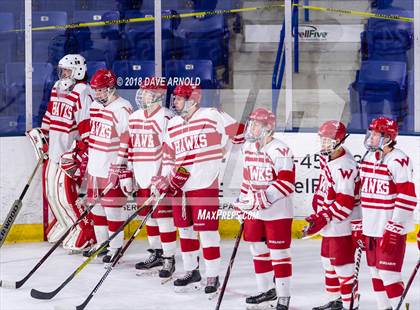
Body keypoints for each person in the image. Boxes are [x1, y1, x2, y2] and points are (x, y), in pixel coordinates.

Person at [152, 83, 244, 294]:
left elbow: (239, 133)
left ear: (192, 100)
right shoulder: (173, 123)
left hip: (204, 183)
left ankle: (212, 275)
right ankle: (191, 270)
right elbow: (168, 155)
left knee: (208, 232)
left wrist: (223, 150)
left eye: (178, 98)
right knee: (185, 230)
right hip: (180, 187)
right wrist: (165, 179)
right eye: (174, 98)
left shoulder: (211, 115)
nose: (174, 102)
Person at [28, 54, 95, 251]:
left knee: (65, 195)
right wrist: (44, 135)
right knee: (51, 192)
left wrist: (82, 152)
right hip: (55, 150)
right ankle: (66, 224)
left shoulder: (83, 91)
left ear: (78, 71)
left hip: (69, 153)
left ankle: (85, 228)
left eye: (67, 71)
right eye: (62, 70)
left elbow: (85, 124)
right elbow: (50, 114)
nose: (63, 74)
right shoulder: (57, 87)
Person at [115, 77, 178, 279]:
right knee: (148, 218)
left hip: (159, 177)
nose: (142, 95)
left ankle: (169, 258)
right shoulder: (134, 117)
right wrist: (128, 173)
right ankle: (156, 253)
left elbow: (171, 151)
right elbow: (131, 147)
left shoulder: (167, 118)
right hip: (141, 176)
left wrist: (162, 177)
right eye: (143, 90)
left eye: (148, 92)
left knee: (164, 219)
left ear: (159, 95)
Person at [353, 116, 417, 309]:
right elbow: (361, 194)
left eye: (375, 134)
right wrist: (359, 225)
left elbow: (407, 197)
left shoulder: (399, 160)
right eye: (370, 133)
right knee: (374, 271)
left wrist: (394, 227)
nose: (370, 137)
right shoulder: (368, 158)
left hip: (390, 229)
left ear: (388, 137)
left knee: (389, 274)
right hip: (371, 228)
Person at [234, 107, 295, 310]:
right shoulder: (247, 148)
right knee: (257, 249)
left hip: (277, 212)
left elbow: (286, 183)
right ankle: (266, 290)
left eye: (256, 124)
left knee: (278, 252)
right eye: (251, 123)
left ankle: (284, 296)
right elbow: (247, 179)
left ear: (268, 128)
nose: (251, 127)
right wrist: (244, 202)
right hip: (254, 210)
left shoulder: (281, 150)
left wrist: (264, 197)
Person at [303, 121, 361, 310]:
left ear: (339, 141)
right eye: (322, 139)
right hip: (332, 222)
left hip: (343, 224)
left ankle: (349, 304)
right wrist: (318, 208)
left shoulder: (345, 166)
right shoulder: (329, 157)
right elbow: (326, 188)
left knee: (342, 266)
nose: (323, 143)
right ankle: (336, 300)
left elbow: (344, 204)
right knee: (327, 261)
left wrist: (324, 217)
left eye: (328, 140)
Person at [83, 69, 133, 263]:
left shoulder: (123, 108)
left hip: (112, 167)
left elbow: (128, 140)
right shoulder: (95, 106)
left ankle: (116, 247)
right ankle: (102, 243)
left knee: (113, 210)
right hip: (95, 167)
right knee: (96, 208)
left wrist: (124, 171)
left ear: (111, 88)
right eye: (95, 90)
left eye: (101, 90)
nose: (97, 94)